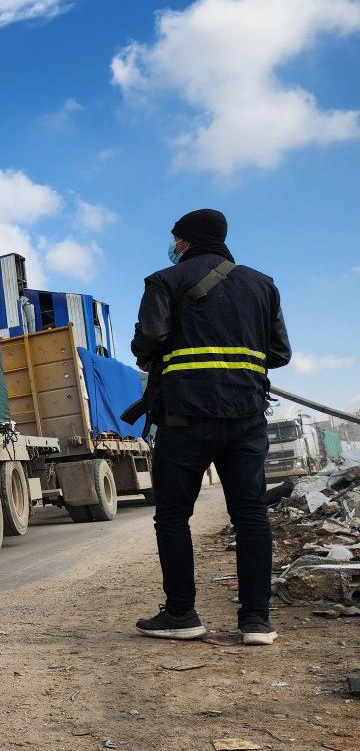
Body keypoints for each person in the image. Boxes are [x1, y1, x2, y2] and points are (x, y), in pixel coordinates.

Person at [130, 209, 291, 645]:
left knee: (174, 517)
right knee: (252, 516)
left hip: (184, 419)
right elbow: (279, 353)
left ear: (183, 242)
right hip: (245, 417)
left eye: (174, 240)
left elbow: (149, 340)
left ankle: (182, 614)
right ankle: (257, 621)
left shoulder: (164, 281)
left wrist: (152, 348)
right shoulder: (262, 285)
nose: (172, 246)